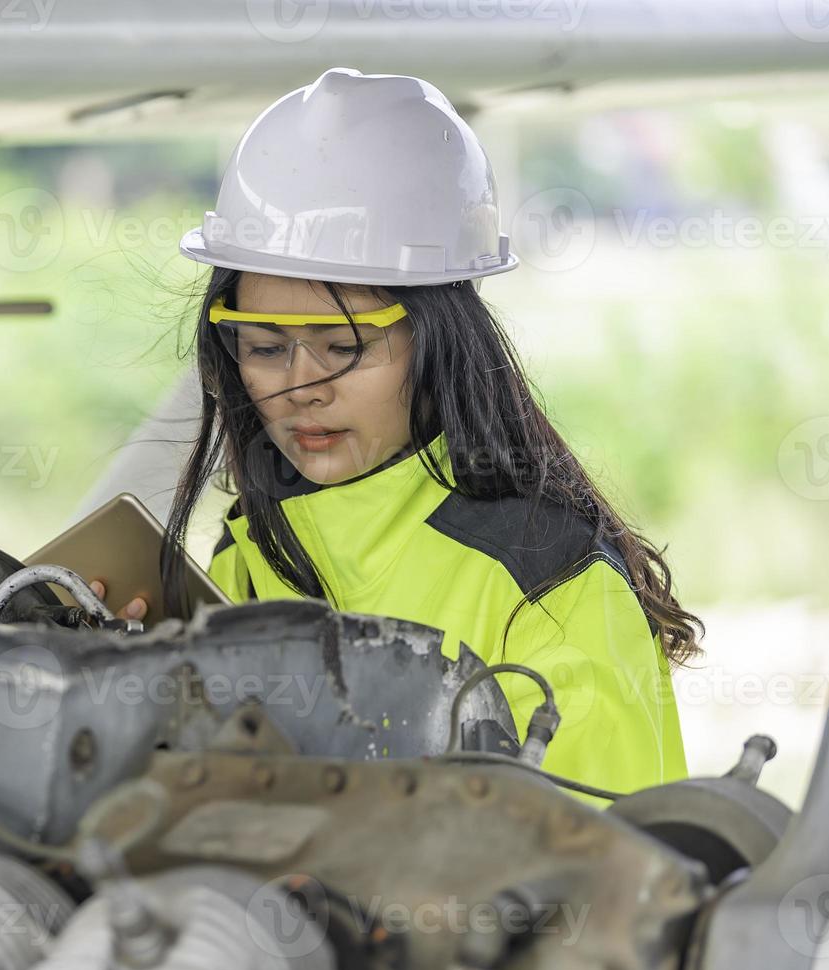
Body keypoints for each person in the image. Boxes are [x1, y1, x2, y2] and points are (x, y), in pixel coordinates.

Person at [99, 67, 700, 797]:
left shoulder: (547, 581)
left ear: (440, 342)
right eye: (262, 347)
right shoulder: (251, 555)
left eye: (343, 345)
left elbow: (594, 878)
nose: (298, 386)